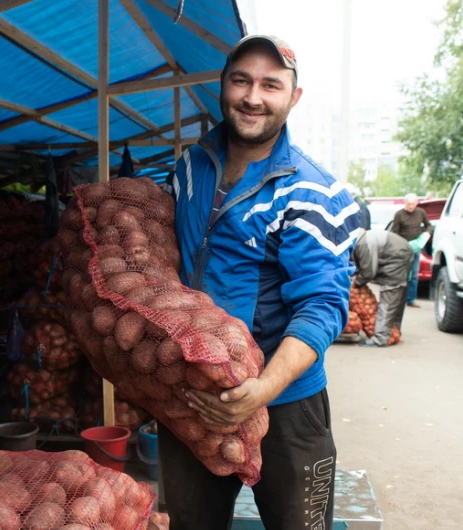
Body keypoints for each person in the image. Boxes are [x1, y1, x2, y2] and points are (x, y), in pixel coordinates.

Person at [164, 34, 360, 530]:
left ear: (293, 97)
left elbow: (322, 308)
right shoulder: (190, 167)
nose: (253, 97)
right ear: (222, 86)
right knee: (193, 524)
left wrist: (262, 389)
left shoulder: (313, 192)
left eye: (271, 85)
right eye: (241, 80)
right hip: (196, 395)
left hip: (287, 403)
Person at [352, 230, 413, 347]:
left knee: (390, 295)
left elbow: (369, 271)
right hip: (402, 250)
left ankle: (380, 339)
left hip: (396, 255)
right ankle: (394, 332)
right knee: (398, 296)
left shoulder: (362, 243)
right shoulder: (363, 238)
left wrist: (356, 283)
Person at [391, 193, 431, 308]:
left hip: (416, 247)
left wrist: (427, 233)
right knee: (402, 275)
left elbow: (428, 225)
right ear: (405, 203)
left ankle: (411, 299)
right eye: (409, 204)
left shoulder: (420, 212)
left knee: (414, 275)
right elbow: (395, 232)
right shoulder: (399, 214)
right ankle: (399, 299)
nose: (411, 206)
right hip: (403, 248)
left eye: (413, 204)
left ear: (416, 204)